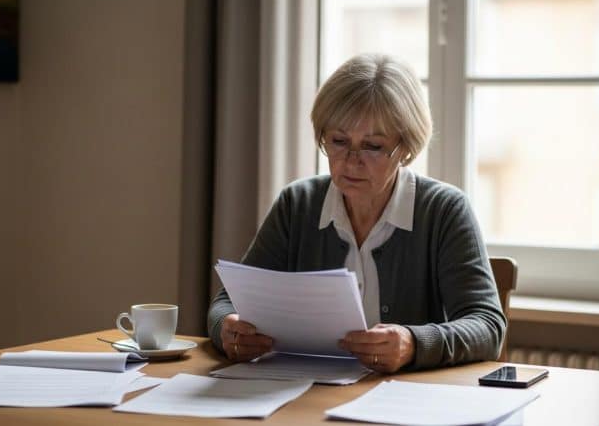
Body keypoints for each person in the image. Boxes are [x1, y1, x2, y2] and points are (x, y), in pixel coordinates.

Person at [207, 53, 506, 373]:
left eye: (373, 146)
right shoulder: (297, 204)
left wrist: (413, 343)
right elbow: (226, 304)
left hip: (403, 402)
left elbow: (488, 327)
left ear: (405, 148)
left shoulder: (444, 210)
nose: (351, 161)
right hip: (303, 392)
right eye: (338, 141)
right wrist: (228, 329)